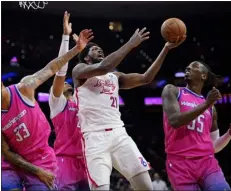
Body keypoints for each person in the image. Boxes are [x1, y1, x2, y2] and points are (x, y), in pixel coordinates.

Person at [72, 28, 185, 190]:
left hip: (119, 134)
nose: (99, 50)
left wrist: (165, 49)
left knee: (146, 185)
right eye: (94, 49)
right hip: (94, 137)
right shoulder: (79, 70)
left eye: (100, 48)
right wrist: (131, 44)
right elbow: (104, 67)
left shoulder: (115, 77)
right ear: (86, 57)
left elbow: (146, 78)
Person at [1, 17, 94, 191]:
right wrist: (68, 41)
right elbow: (57, 71)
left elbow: (53, 68)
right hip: (17, 162)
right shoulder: (57, 100)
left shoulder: (24, 88)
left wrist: (78, 49)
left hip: (45, 157)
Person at [162, 60, 231, 190]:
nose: (188, 67)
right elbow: (175, 121)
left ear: (203, 76)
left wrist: (229, 134)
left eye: (194, 66)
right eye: (187, 66)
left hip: (207, 162)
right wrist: (205, 104)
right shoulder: (172, 91)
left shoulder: (211, 109)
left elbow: (214, 146)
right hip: (179, 164)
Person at [48, 12, 89, 191]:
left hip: (87, 161)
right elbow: (60, 71)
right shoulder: (58, 103)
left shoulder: (81, 100)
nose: (65, 82)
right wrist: (66, 37)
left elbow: (95, 67)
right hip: (65, 162)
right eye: (61, 83)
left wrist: (83, 49)